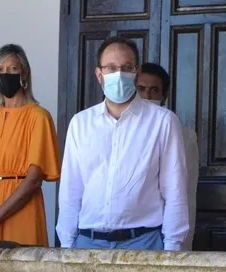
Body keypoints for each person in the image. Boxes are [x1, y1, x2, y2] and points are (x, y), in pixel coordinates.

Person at [57, 36, 188, 251]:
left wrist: (171, 248)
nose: (119, 74)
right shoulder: (81, 123)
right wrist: (67, 244)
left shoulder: (162, 121)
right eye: (111, 68)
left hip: (143, 242)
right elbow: (71, 190)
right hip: (87, 243)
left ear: (136, 73)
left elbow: (174, 190)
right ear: (99, 75)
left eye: (126, 67)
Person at [0, 44, 60, 246]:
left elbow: (34, 178)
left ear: (24, 74)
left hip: (21, 212)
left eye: (12, 69)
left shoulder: (39, 116)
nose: (5, 74)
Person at [136, 63, 199, 251]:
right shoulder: (112, 130)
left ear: (163, 96)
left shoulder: (183, 135)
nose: (147, 96)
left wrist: (178, 242)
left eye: (154, 90)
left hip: (162, 232)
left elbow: (184, 192)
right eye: (140, 89)